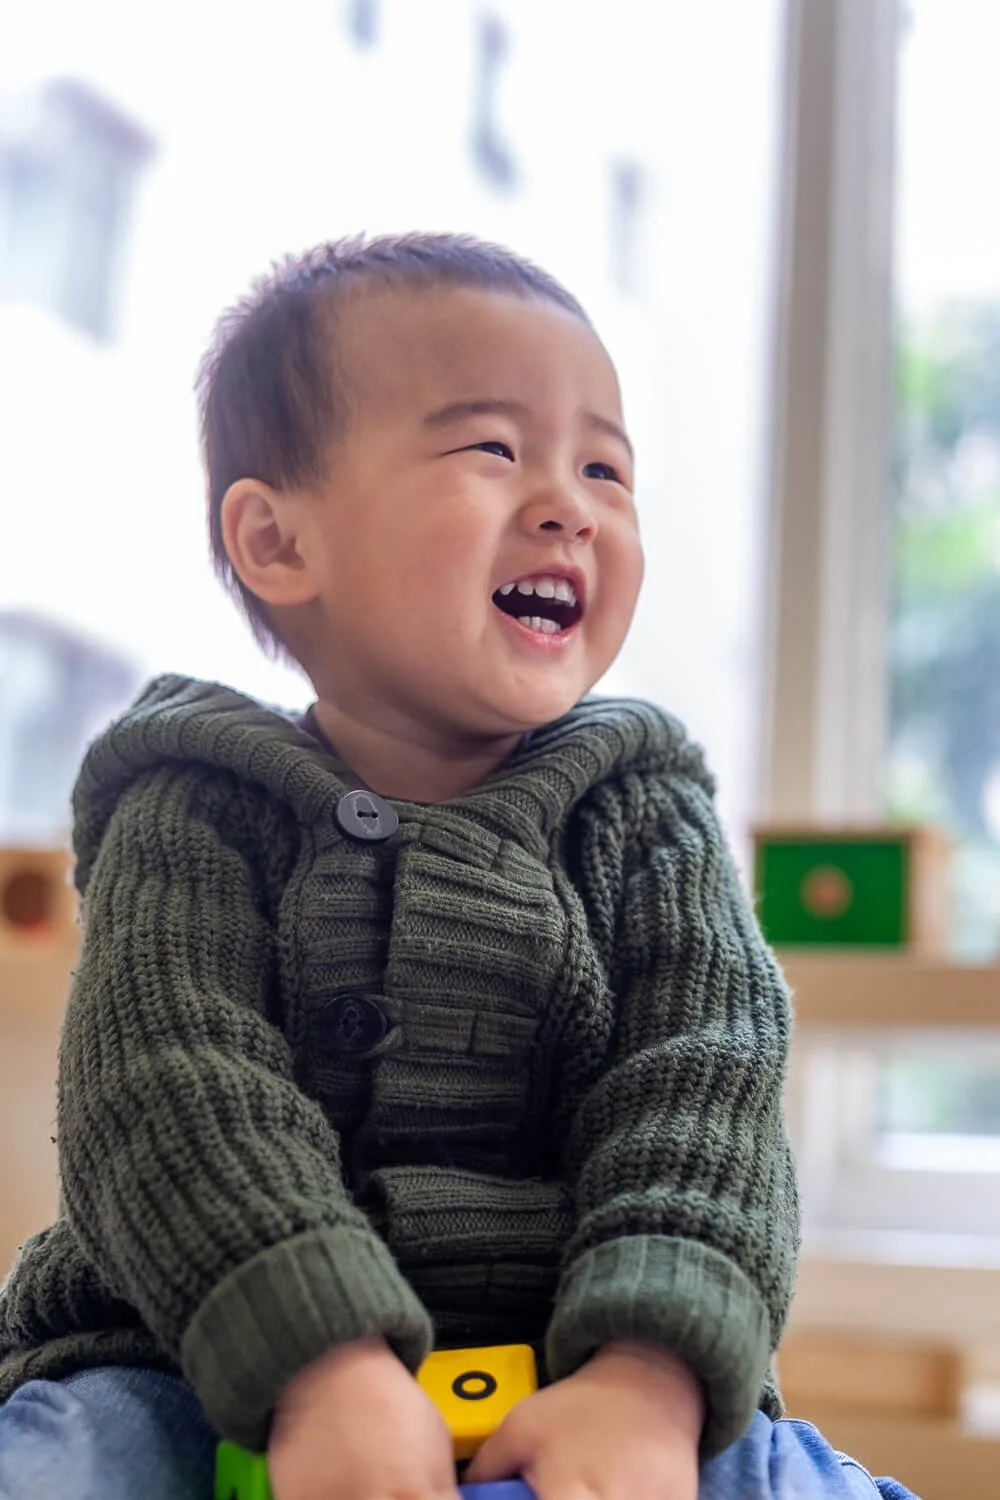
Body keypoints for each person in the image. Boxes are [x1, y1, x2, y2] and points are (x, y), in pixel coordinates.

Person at [0, 234, 917, 1500]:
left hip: (595, 1361)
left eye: (605, 466)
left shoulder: (643, 812)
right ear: (278, 542)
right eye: (493, 450)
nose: (568, 502)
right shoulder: (192, 801)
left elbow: (703, 1089)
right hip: (187, 1354)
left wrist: (650, 1379)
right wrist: (321, 1364)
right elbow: (171, 1085)